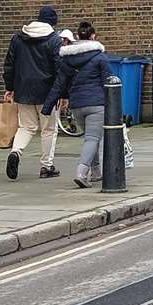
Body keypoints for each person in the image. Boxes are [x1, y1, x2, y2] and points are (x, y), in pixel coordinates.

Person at [48, 20, 115, 188]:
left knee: (90, 139)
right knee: (92, 139)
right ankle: (81, 172)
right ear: (93, 36)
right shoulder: (100, 57)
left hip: (77, 105)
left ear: (77, 36)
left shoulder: (67, 59)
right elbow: (110, 83)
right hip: (96, 103)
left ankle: (97, 172)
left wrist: (47, 106)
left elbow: (59, 84)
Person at [1, 6, 63, 181]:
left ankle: (15, 152)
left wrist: (10, 87)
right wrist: (63, 93)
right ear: (52, 22)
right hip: (48, 92)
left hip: (23, 89)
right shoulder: (54, 40)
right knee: (48, 129)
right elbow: (60, 68)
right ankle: (46, 166)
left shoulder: (18, 38)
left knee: (26, 127)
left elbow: (9, 65)